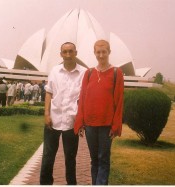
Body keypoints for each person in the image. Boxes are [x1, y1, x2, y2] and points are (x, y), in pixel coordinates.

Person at [74, 40, 124, 185]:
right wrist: (80, 122)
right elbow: (82, 98)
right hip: (90, 124)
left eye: (104, 52)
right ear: (94, 53)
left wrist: (116, 126)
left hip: (106, 125)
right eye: (98, 52)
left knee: (103, 158)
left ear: (109, 52)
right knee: (94, 159)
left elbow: (119, 101)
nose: (101, 55)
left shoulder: (116, 73)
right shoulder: (89, 73)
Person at [40, 42, 86, 185]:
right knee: (48, 157)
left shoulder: (84, 73)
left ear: (76, 53)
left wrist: (82, 121)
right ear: (60, 54)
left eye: (70, 51)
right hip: (53, 119)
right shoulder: (55, 71)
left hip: (71, 121)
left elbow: (85, 98)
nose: (68, 55)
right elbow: (49, 93)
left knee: (70, 158)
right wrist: (46, 114)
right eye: (65, 52)